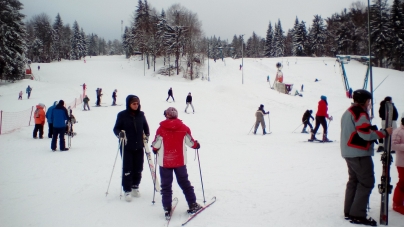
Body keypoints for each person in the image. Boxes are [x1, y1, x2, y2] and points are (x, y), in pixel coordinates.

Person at [340, 89, 392, 225]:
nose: (369, 104)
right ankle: (357, 214)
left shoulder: (349, 111)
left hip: (349, 152)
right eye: (368, 101)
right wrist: (383, 133)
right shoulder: (360, 113)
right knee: (366, 182)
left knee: (354, 181)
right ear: (364, 101)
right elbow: (365, 134)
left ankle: (349, 210)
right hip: (359, 153)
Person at [151, 107, 202, 218]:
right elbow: (191, 143)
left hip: (165, 162)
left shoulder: (161, 129)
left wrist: (154, 150)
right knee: (184, 183)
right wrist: (196, 145)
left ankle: (167, 208)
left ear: (166, 115)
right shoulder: (184, 128)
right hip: (179, 161)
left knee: (166, 185)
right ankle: (192, 203)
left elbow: (156, 144)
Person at [113, 95, 150, 202]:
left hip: (139, 146)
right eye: (134, 103)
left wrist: (147, 135)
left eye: (137, 103)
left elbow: (146, 127)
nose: (136, 105)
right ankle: (127, 190)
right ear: (129, 104)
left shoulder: (141, 115)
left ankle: (135, 186)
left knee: (138, 168)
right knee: (128, 168)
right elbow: (116, 128)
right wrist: (120, 134)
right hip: (127, 146)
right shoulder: (122, 115)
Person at [392, 112, 404, 215]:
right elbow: (394, 145)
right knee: (402, 183)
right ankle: (397, 203)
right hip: (402, 163)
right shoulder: (398, 131)